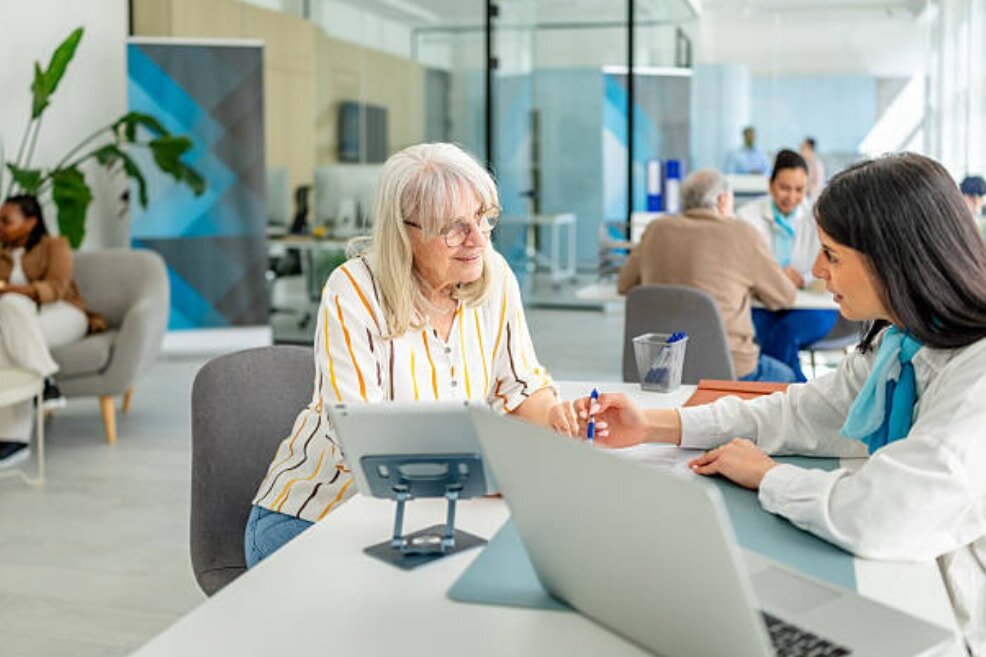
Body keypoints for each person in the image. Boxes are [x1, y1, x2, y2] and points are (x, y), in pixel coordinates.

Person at [577, 153, 986, 656]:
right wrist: (657, 424)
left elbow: (883, 514)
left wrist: (767, 475)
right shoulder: (904, 341)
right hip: (916, 585)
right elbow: (800, 410)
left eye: (832, 255)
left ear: (893, 259)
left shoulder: (977, 379)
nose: (816, 269)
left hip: (956, 623)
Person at [245, 143, 577, 566]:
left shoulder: (493, 275)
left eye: (482, 217)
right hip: (316, 516)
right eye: (453, 228)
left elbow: (520, 383)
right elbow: (364, 440)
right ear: (404, 232)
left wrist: (560, 420)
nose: (477, 239)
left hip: (429, 512)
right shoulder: (354, 290)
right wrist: (480, 473)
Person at [617, 169, 797, 382]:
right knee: (787, 376)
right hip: (730, 369)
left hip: (660, 369)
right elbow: (785, 296)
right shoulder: (742, 233)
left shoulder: (656, 229)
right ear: (722, 201)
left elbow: (624, 284)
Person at [0, 195, 101, 466]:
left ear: (31, 222)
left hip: (63, 314)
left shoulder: (55, 246)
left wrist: (10, 289)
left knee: (9, 311)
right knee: (8, 318)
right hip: (18, 322)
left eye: (6, 221)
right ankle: (45, 382)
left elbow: (56, 288)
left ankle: (14, 440)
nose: (0, 226)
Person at [737, 149, 838, 381]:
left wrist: (805, 279)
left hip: (812, 306)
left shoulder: (819, 218)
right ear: (771, 184)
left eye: (799, 190)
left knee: (785, 332)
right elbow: (739, 266)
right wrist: (771, 277)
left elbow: (834, 264)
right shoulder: (746, 217)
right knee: (763, 332)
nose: (791, 197)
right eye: (784, 188)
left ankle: (782, 397)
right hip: (763, 304)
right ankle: (798, 392)